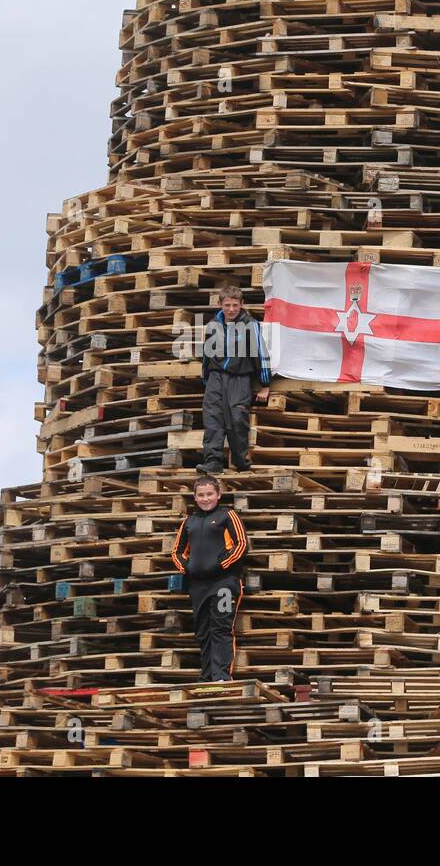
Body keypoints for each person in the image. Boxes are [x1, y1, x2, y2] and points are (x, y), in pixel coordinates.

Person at [169, 474, 248, 682]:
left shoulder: (227, 515)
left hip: (224, 583)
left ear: (218, 495)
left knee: (221, 627)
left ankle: (221, 676)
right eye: (201, 495)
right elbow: (176, 551)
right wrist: (188, 568)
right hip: (198, 586)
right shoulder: (189, 521)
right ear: (195, 497)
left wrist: (221, 565)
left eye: (210, 494)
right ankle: (206, 677)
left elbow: (241, 545)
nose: (206, 499)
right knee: (203, 630)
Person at [200, 285, 270, 473]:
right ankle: (212, 462)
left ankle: (240, 461)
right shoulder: (213, 324)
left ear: (242, 304)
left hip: (239, 379)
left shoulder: (250, 324)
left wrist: (265, 384)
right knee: (212, 419)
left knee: (237, 420)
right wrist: (206, 381)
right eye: (227, 305)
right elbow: (206, 355)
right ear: (220, 304)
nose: (231, 309)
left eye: (235, 305)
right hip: (216, 379)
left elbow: (260, 353)